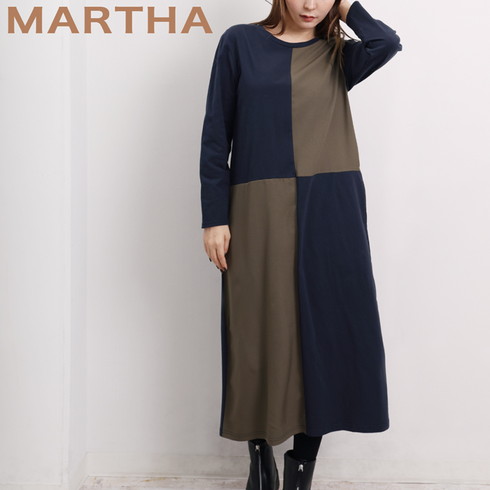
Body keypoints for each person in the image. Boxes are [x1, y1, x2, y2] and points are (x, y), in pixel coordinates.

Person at [199, 0, 402, 488]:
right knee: (256, 326)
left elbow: (387, 42)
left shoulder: (337, 53)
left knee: (327, 326)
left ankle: (301, 469)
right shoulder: (240, 43)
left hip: (330, 203)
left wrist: (347, 7)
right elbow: (216, 134)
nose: (311, 4)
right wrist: (214, 217)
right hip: (256, 203)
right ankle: (260, 458)